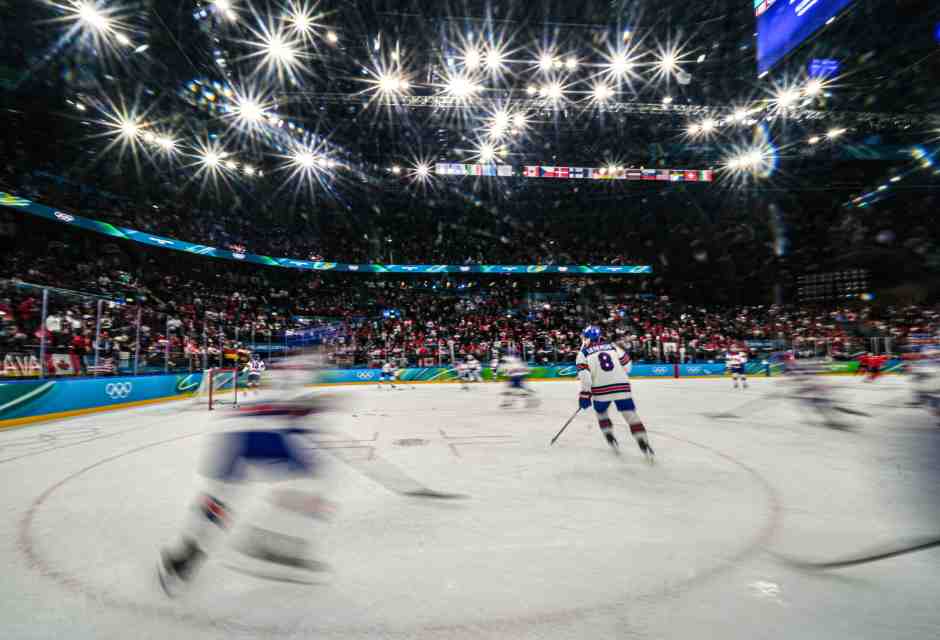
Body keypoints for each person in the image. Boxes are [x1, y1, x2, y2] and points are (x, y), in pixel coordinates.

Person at [158, 359, 332, 596]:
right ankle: (265, 543)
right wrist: (315, 414)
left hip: (232, 430)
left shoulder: (284, 373)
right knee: (310, 481)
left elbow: (291, 410)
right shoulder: (300, 372)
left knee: (219, 497)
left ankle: (184, 558)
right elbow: (295, 412)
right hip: (259, 430)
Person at [576, 326, 654, 459]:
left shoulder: (583, 354)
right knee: (631, 416)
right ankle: (643, 441)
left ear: (589, 338)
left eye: (585, 337)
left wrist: (584, 395)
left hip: (601, 390)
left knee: (601, 414)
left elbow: (586, 379)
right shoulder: (613, 347)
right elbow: (628, 366)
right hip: (622, 387)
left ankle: (609, 436)